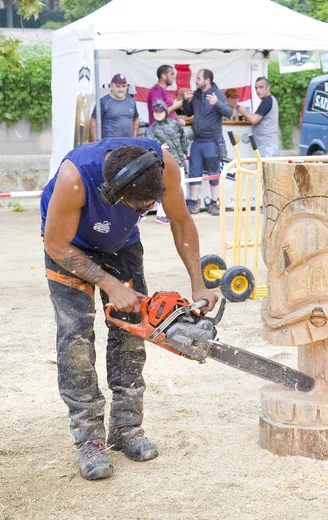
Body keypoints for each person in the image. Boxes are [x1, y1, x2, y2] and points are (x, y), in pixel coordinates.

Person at [40, 136, 218, 481]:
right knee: (75, 339)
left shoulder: (163, 166)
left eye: (149, 206)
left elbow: (181, 221)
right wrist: (109, 284)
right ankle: (88, 437)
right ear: (113, 190)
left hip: (121, 246)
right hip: (69, 246)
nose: (143, 211)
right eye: (138, 205)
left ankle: (126, 427)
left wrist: (198, 282)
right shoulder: (75, 178)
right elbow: (56, 243)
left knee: (134, 333)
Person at [182, 69, 232, 217]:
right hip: (197, 142)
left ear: (207, 80)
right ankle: (193, 203)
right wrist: (186, 101)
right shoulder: (196, 94)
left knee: (213, 173)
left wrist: (216, 104)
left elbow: (228, 112)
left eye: (198, 78)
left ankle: (214, 203)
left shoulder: (217, 94)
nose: (195, 81)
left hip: (212, 141)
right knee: (194, 172)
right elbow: (189, 112)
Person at [144, 100, 188, 225]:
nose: (158, 114)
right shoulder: (151, 130)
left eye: (160, 111)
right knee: (163, 188)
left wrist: (184, 152)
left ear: (165, 111)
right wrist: (158, 149)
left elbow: (183, 138)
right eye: (156, 111)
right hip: (162, 165)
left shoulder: (175, 125)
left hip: (178, 162)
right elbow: (146, 147)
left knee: (181, 187)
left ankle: (179, 213)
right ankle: (162, 214)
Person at [89, 74, 139, 141]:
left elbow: (136, 118)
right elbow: (93, 120)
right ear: (111, 86)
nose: (121, 89)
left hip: (127, 145)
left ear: (127, 86)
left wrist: (134, 138)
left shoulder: (131, 101)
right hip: (109, 145)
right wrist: (95, 142)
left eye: (123, 86)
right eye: (118, 86)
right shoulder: (103, 102)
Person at [238, 77, 279, 157]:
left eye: (261, 87)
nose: (258, 90)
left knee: (263, 169)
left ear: (268, 87)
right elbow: (255, 116)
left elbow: (254, 119)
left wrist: (243, 112)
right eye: (256, 88)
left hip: (266, 146)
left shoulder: (267, 101)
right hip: (266, 145)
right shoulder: (268, 101)